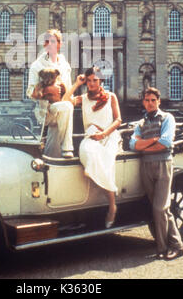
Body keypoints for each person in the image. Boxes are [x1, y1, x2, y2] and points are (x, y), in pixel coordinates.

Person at [129, 87, 183, 260]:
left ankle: (168, 247)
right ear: (143, 102)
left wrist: (145, 144)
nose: (150, 103)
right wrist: (154, 140)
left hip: (163, 164)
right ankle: (169, 247)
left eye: (153, 100)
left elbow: (166, 142)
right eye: (147, 100)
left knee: (160, 208)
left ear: (158, 101)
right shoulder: (141, 123)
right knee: (160, 210)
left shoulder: (167, 118)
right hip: (145, 167)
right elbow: (132, 145)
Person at [63, 67, 122, 228]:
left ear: (101, 81)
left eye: (94, 80)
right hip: (91, 137)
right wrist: (76, 84)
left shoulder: (111, 97)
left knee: (105, 159)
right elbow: (65, 99)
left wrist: (104, 134)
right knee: (88, 150)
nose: (91, 83)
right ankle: (93, 170)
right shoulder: (83, 98)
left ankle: (112, 207)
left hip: (108, 136)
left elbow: (118, 120)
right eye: (88, 80)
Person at [27, 29, 74, 158]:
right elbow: (30, 92)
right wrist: (45, 91)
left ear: (60, 44)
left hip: (61, 110)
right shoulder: (37, 66)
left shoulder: (65, 65)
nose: (49, 44)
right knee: (67, 107)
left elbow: (68, 91)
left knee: (53, 150)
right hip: (44, 111)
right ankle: (67, 148)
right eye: (46, 41)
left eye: (52, 41)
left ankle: (51, 161)